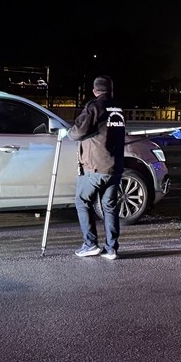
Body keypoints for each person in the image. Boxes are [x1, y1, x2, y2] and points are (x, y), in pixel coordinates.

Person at [68, 75, 125, 260]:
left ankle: (90, 244)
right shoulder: (118, 108)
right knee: (109, 206)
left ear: (95, 91)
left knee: (82, 201)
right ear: (111, 90)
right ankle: (111, 248)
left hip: (96, 166)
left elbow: (78, 132)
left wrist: (67, 132)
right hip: (115, 166)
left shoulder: (94, 107)